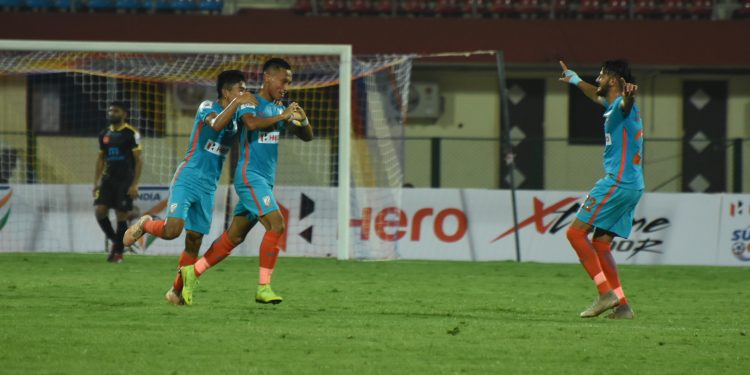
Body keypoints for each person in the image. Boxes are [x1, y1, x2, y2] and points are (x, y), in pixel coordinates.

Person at [179, 57, 312, 306]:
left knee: (234, 237)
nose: (287, 86)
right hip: (249, 177)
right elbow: (250, 124)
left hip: (265, 180)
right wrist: (283, 116)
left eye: (289, 82)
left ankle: (192, 271)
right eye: (284, 80)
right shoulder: (249, 102)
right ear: (268, 78)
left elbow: (307, 137)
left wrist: (301, 120)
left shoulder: (277, 107)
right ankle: (264, 287)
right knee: (277, 225)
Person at [123, 70, 259, 305]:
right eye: (240, 89)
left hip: (209, 186)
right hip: (188, 177)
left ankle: (176, 292)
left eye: (245, 89)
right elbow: (215, 125)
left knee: (194, 239)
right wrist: (239, 102)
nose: (244, 93)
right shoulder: (207, 107)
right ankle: (147, 223)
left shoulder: (237, 120)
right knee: (172, 230)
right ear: (226, 92)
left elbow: (253, 125)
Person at [559, 60, 643, 319]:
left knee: (575, 234)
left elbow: (625, 104)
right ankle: (622, 306)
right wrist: (574, 79)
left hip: (616, 184)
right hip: (633, 186)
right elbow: (594, 93)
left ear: (615, 81)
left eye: (602, 75)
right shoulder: (612, 107)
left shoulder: (622, 106)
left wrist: (629, 97)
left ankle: (605, 293)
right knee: (601, 244)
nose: (598, 79)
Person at [94, 101, 143, 263]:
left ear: (124, 114)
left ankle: (118, 253)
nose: (111, 113)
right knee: (100, 211)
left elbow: (138, 160)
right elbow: (101, 158)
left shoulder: (131, 133)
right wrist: (96, 181)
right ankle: (117, 241)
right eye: (110, 111)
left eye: (115, 111)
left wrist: (134, 184)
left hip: (125, 180)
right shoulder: (104, 134)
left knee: (121, 215)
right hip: (108, 180)